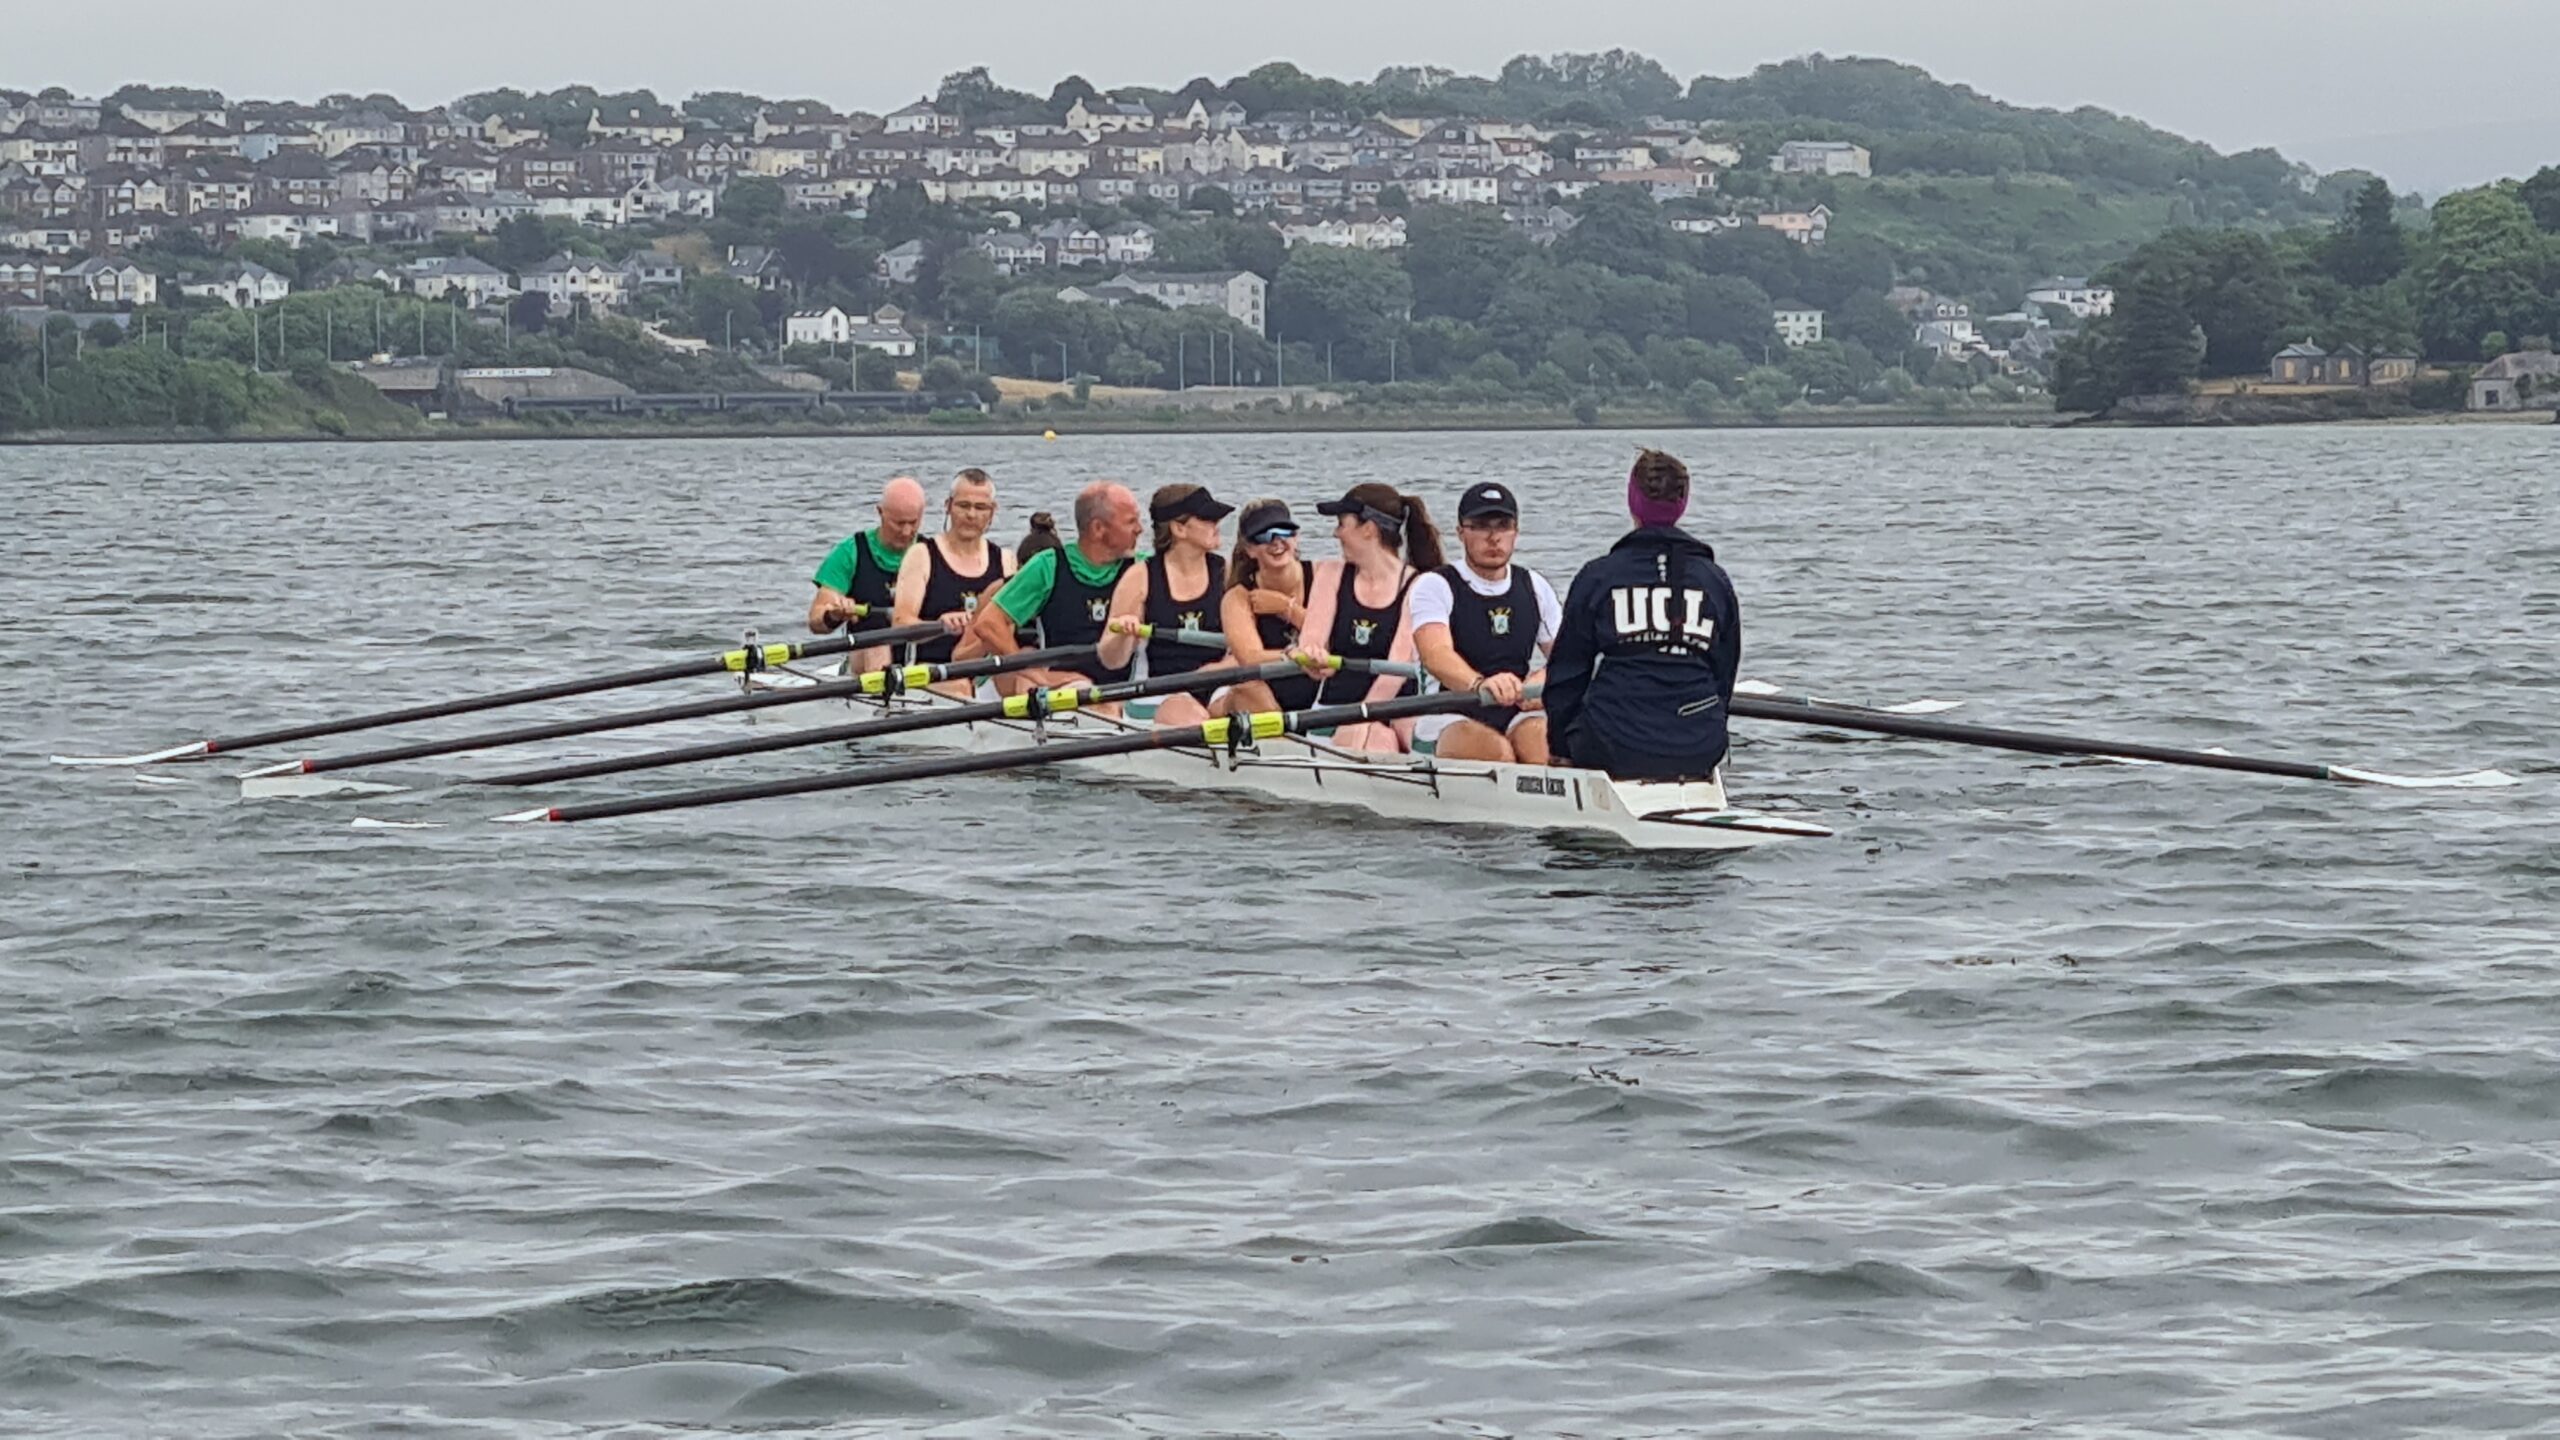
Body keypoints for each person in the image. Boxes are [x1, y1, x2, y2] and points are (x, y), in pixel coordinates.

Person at [1544, 449, 1742, 781]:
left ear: (1632, 501)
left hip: (1611, 745)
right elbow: (1724, 675)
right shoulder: (1715, 581)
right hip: (1698, 744)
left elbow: (1566, 675)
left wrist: (1561, 750)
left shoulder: (1598, 577)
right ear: (1683, 503)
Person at [1409, 481, 1561, 764]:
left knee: (1543, 746)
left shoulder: (1535, 586)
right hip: (1449, 711)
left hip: (1515, 709)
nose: (1493, 538)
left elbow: (1566, 656)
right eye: (1480, 526)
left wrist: (1544, 680)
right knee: (1497, 754)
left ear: (1516, 532)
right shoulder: (1435, 584)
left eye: (1503, 525)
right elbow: (1436, 654)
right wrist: (1479, 685)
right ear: (1460, 533)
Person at [1293, 482, 1444, 752]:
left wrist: (1365, 720)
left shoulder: (1419, 586)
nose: (1336, 533)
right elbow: (1311, 641)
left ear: (1368, 529)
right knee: (1378, 739)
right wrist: (1313, 658)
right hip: (1334, 710)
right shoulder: (1330, 575)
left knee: (1391, 736)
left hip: (1398, 708)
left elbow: (1394, 671)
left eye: (1341, 523)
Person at [958, 480, 1144, 699]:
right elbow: (989, 624)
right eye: (1131, 522)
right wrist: (1033, 673)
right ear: (1098, 528)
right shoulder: (1048, 566)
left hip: (1129, 694)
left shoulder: (1143, 568)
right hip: (1067, 692)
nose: (1140, 529)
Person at [1099, 484, 1236, 726]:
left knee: (1252, 700)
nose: (1216, 525)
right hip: (1158, 690)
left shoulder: (1226, 572)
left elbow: (1245, 648)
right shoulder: (1140, 578)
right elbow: (1111, 660)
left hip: (1215, 683)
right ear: (1179, 528)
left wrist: (1213, 672)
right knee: (1189, 714)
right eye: (1207, 519)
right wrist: (1123, 635)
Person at [889, 468, 1012, 698]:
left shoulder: (1005, 560)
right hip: (927, 671)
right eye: (963, 506)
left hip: (983, 672)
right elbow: (900, 623)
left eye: (980, 508)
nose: (971, 515)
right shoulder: (922, 555)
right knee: (961, 686)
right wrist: (939, 624)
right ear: (948, 506)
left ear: (992, 512)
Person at [1208, 499, 1317, 719]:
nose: (1276, 542)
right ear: (1250, 549)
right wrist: (1292, 655)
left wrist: (1288, 609)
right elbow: (1250, 659)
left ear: (1296, 537)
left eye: (1284, 532)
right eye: (1264, 536)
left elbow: (1335, 638)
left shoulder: (1323, 577)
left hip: (1313, 688)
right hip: (1256, 690)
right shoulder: (1238, 597)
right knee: (1250, 689)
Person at [807, 475, 925, 673]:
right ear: (880, 512)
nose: (906, 532)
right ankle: (880, 690)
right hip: (864, 657)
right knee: (877, 646)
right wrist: (835, 614)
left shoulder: (931, 552)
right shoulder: (850, 552)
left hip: (919, 658)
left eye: (913, 523)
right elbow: (816, 621)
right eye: (898, 523)